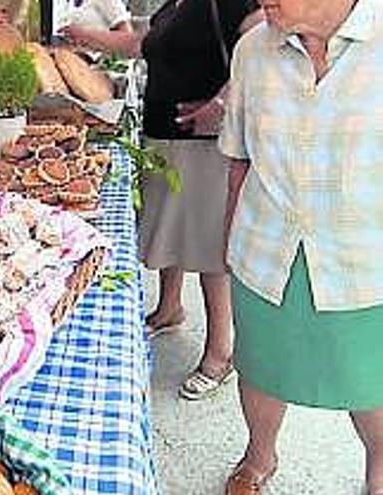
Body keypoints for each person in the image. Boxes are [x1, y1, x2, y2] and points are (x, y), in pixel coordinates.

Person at [219, 0, 383, 492]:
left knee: (371, 378)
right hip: (266, 247)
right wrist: (230, 245)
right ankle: (259, 456)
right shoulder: (253, 50)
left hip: (364, 258)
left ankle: (379, 468)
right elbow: (239, 158)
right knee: (262, 364)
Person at [62, 0, 263, 400]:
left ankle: (220, 352)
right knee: (173, 232)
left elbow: (258, 51)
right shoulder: (177, 4)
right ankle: (170, 308)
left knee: (209, 249)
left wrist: (222, 105)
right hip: (165, 135)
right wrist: (84, 37)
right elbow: (142, 45)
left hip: (205, 140)